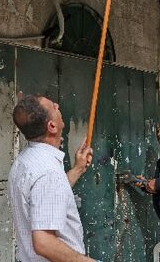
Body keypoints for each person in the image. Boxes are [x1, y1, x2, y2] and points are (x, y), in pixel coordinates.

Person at [8, 94, 95, 262]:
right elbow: (44, 243)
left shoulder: (25, 161)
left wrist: (77, 169)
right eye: (53, 106)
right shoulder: (48, 172)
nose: (57, 105)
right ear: (52, 126)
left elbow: (48, 198)